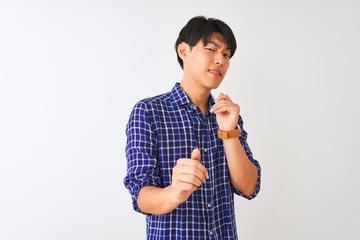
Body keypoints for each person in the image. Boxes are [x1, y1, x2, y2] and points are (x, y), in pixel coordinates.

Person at [124, 16, 261, 239]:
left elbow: (249, 187)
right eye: (211, 49)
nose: (221, 60)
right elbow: (141, 195)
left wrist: (229, 134)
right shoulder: (148, 112)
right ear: (184, 51)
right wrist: (175, 192)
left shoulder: (228, 114)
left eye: (226, 55)